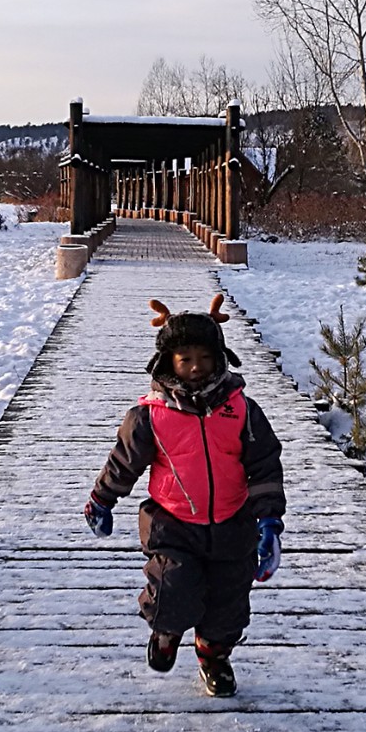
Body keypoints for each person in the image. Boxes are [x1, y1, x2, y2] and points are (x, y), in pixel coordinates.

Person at [84, 294, 285, 697]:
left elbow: (264, 463)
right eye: (185, 359)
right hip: (173, 522)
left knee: (229, 603)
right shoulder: (150, 415)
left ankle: (213, 656)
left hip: (233, 523)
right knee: (173, 588)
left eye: (206, 358)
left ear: (220, 358)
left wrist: (269, 521)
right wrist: (102, 499)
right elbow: (125, 461)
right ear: (168, 363)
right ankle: (167, 630)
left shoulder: (241, 410)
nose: (196, 368)